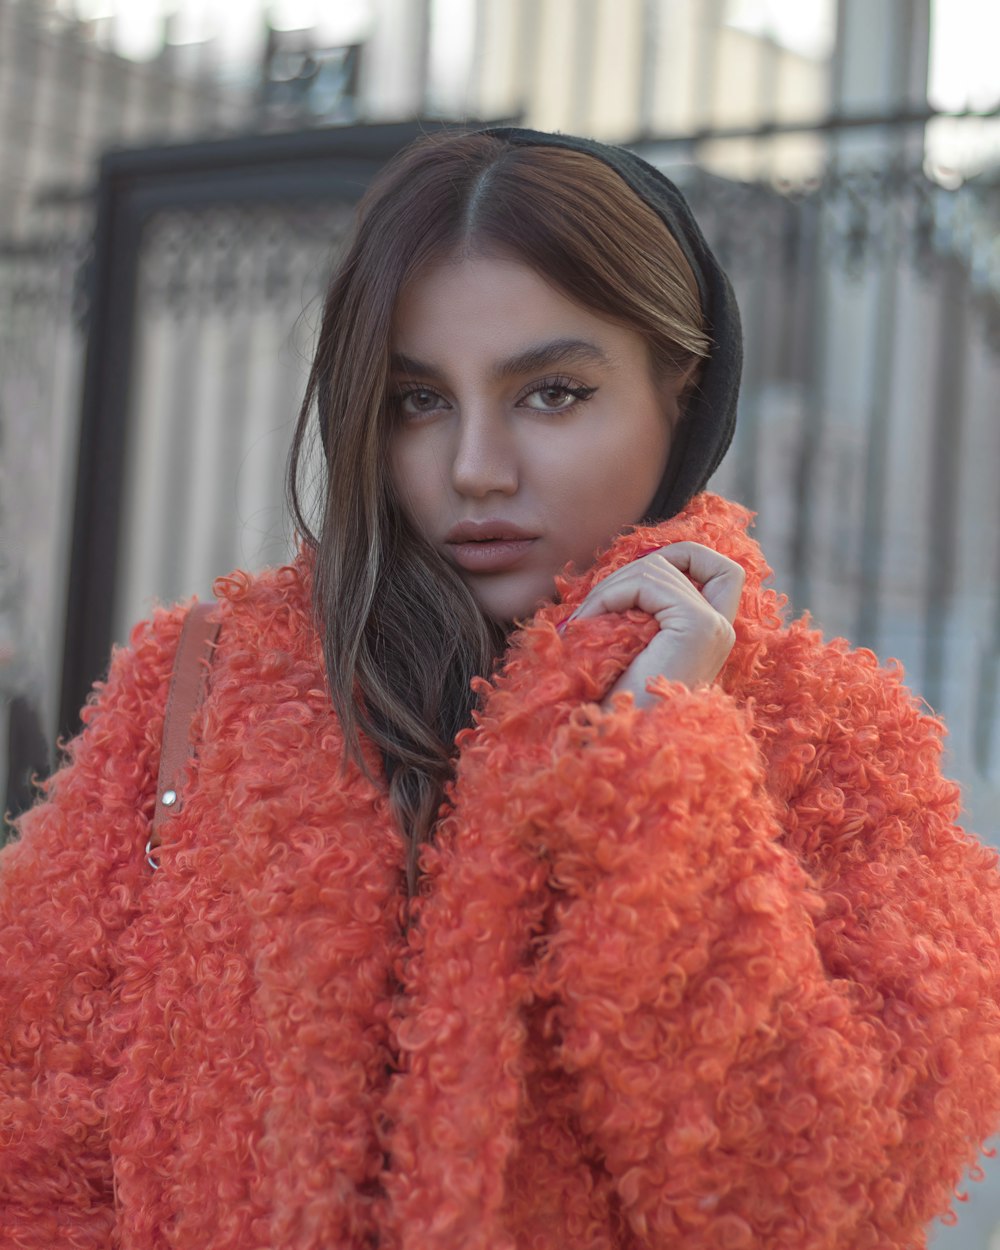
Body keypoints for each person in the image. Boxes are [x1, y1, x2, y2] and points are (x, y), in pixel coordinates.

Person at [2, 126, 1000, 1250]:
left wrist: (657, 770)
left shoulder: (827, 741)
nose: (475, 466)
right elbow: (35, 1144)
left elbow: (813, 1197)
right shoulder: (202, 683)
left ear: (682, 385)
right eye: (419, 400)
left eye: (552, 392)